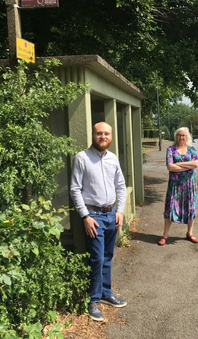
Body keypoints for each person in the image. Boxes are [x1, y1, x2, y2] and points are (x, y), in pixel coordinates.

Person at [70, 121, 127, 322]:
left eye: (106, 134)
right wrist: (85, 216)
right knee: (97, 258)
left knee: (108, 255)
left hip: (112, 215)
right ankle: (93, 300)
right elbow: (75, 189)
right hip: (93, 217)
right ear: (93, 135)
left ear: (111, 136)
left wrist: (120, 210)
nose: (103, 137)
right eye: (99, 133)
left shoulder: (113, 158)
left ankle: (105, 292)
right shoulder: (82, 158)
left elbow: (120, 185)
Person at [158, 127, 198, 246]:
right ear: (176, 136)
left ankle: (190, 233)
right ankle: (165, 235)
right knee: (170, 207)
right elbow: (170, 167)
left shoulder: (192, 149)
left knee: (191, 207)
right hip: (175, 185)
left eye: (184, 135)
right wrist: (188, 165)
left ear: (187, 137)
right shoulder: (171, 149)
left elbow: (196, 164)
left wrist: (179, 164)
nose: (181, 137)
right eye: (179, 135)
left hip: (189, 185)